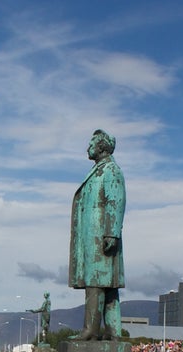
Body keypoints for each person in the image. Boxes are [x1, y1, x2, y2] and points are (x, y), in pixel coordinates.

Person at [69, 129, 126, 341]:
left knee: (97, 282)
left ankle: (91, 331)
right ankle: (113, 332)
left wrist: (111, 233)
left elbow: (116, 201)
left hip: (100, 237)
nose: (87, 147)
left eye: (91, 144)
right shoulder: (98, 170)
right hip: (94, 237)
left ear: (101, 147)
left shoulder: (110, 170)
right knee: (107, 286)